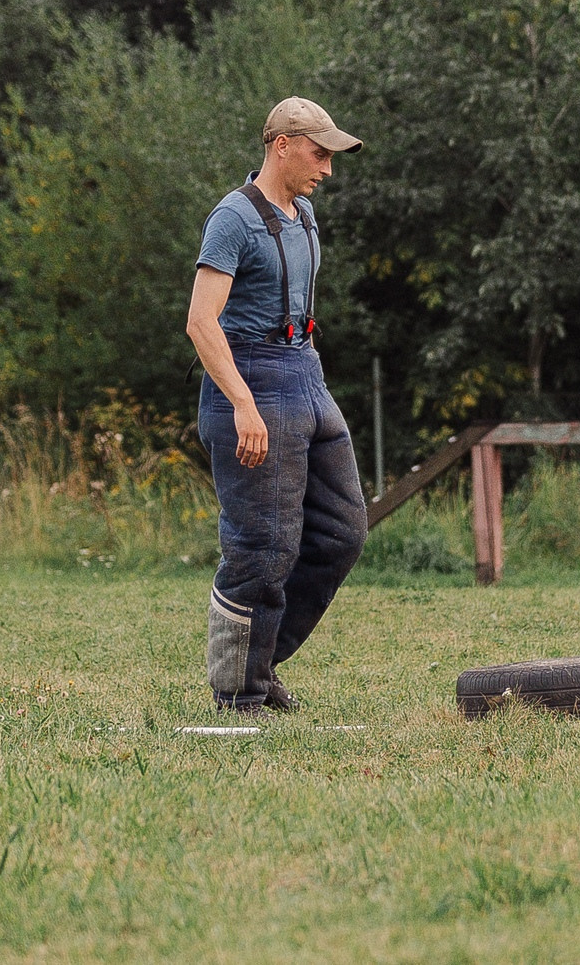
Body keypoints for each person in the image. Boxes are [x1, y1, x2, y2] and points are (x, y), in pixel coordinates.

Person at [184, 97, 369, 713]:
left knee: (343, 531)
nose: (327, 169)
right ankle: (239, 690)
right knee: (262, 547)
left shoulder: (305, 215)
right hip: (251, 382)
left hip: (307, 376)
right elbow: (201, 322)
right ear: (282, 145)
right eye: (320, 154)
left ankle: (258, 660)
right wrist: (242, 404)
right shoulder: (232, 219)